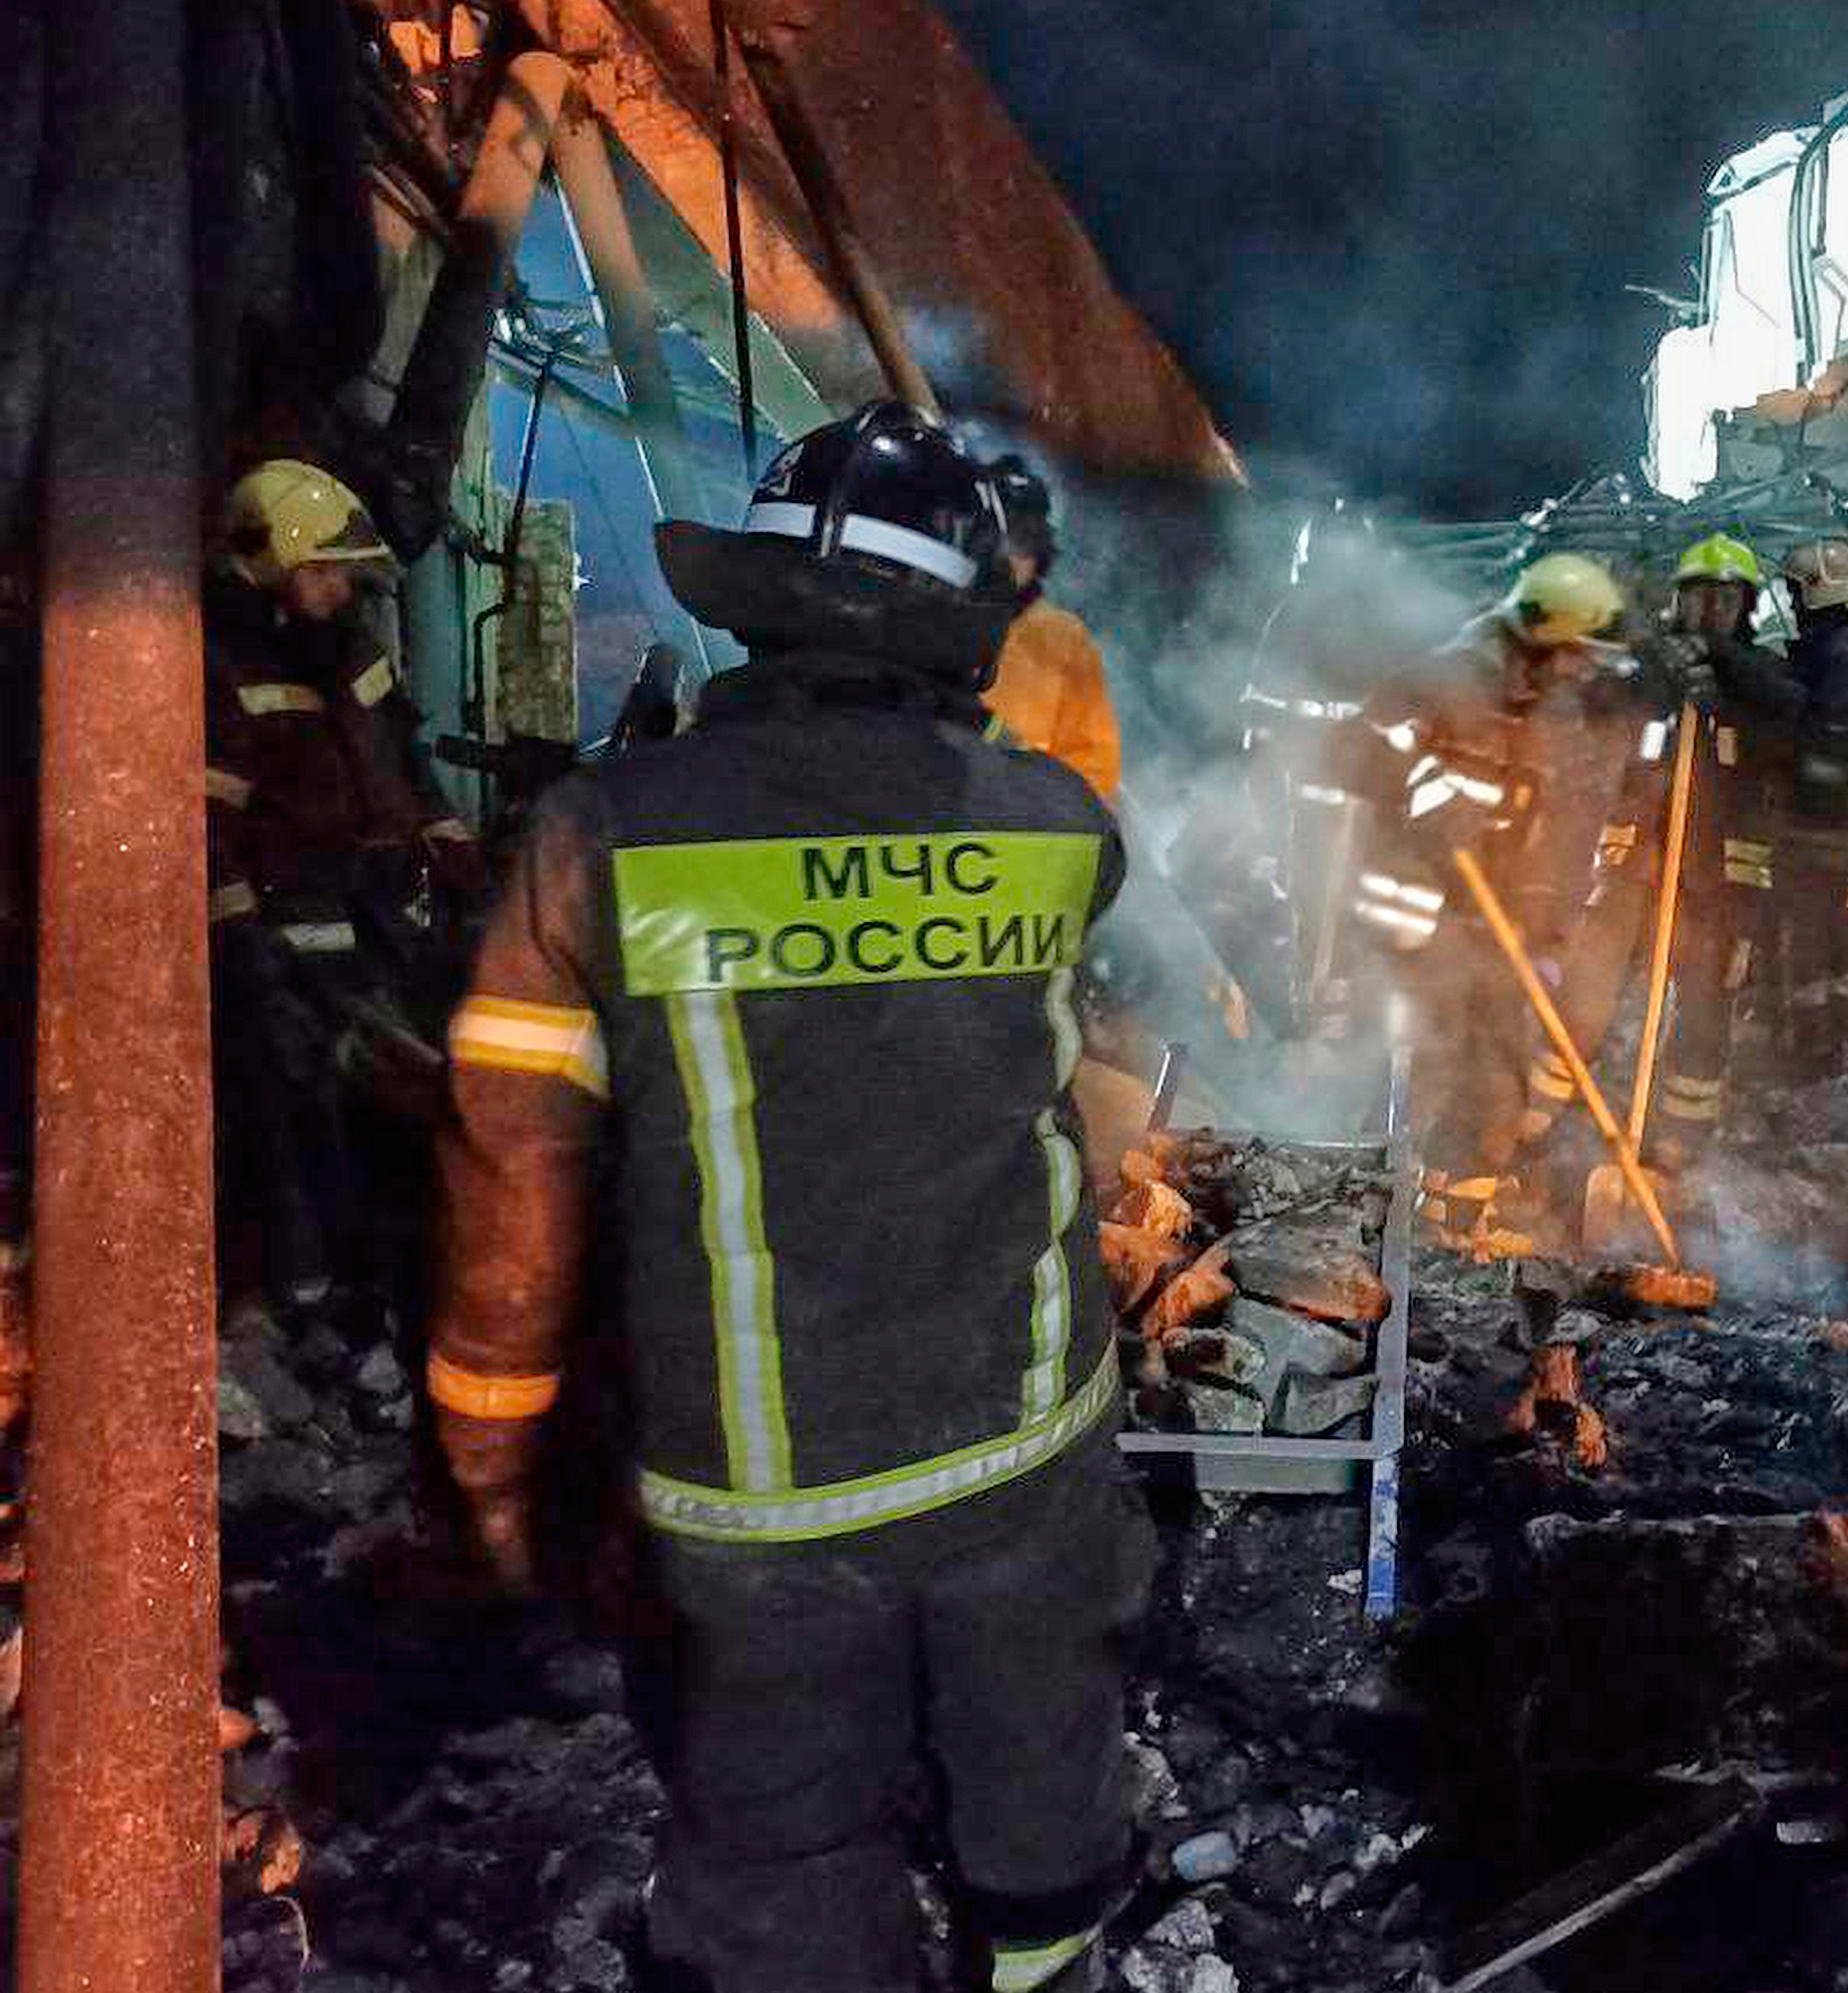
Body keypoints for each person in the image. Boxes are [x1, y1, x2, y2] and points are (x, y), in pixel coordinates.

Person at [424, 401, 1153, 1993]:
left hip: (758, 1486)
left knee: (783, 1849)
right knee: (1040, 1788)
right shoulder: (1056, 826)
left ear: (753, 603)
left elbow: (511, 1183)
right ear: (966, 628)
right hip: (1027, 1443)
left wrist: (491, 1454)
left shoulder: (596, 839)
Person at [209, 458, 481, 1325]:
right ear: (269, 560)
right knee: (307, 1108)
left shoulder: (350, 648)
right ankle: (317, 1295)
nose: (339, 592)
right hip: (292, 930)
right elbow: (202, 824)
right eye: (324, 573)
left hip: (385, 913)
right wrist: (242, 941)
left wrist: (448, 838)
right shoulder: (221, 666)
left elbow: (402, 758)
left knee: (416, 1090)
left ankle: (397, 1279)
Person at [1519, 533, 1799, 1181]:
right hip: (1634, 865)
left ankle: (1677, 1145)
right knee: (1587, 989)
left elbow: (1790, 716)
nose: (1711, 610)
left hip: (1718, 878)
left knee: (1703, 1008)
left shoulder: (1765, 676)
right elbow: (1598, 702)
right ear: (1680, 600)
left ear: (1747, 607)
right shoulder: (1646, 667)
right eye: (1700, 597)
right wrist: (1661, 672)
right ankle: (1534, 1113)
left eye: (1726, 600)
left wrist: (1722, 672)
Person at [1362, 551, 1631, 1218]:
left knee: (1501, 1078)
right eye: (1578, 655)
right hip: (1420, 911)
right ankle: (1364, 1211)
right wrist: (1421, 793)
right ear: (1543, 637)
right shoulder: (1451, 679)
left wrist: (1543, 932)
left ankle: (1453, 1223)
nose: (1583, 671)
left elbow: (1545, 829)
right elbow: (1370, 746)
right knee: (1425, 1066)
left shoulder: (1542, 706)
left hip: (1490, 919)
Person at [1769, 531, 1848, 1076]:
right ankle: (1830, 1035)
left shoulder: (1842, 652)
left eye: (1796, 592)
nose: (1793, 603)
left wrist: (1776, 742)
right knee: (1827, 924)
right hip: (1837, 816)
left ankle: (1811, 1049)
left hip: (1818, 818)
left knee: (1806, 927)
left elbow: (1830, 741)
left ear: (1817, 591)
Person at [978, 453, 1121, 800]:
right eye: (995, 540)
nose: (1006, 557)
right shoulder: (932, 614)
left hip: (1020, 816)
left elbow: (1094, 765)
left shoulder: (1062, 639)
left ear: (1040, 552)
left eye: (1022, 542)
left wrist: (1034, 802)